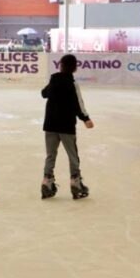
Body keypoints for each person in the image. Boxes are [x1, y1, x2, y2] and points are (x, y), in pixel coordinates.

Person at [41, 53, 94, 200]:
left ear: (61, 65)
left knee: (50, 155)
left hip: (50, 124)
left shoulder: (54, 79)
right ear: (75, 67)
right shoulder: (72, 83)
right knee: (73, 155)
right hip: (66, 126)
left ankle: (47, 181)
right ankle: (76, 183)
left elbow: (43, 94)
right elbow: (78, 104)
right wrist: (86, 119)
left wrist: (52, 86)